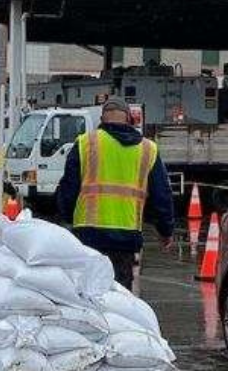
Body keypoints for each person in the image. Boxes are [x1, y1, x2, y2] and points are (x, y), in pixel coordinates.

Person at [55, 97, 175, 287]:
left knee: (88, 292)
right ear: (130, 120)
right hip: (126, 237)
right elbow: (162, 196)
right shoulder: (148, 149)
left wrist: (67, 217)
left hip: (89, 234)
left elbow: (68, 188)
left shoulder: (86, 143)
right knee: (119, 297)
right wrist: (165, 231)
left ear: (102, 120)